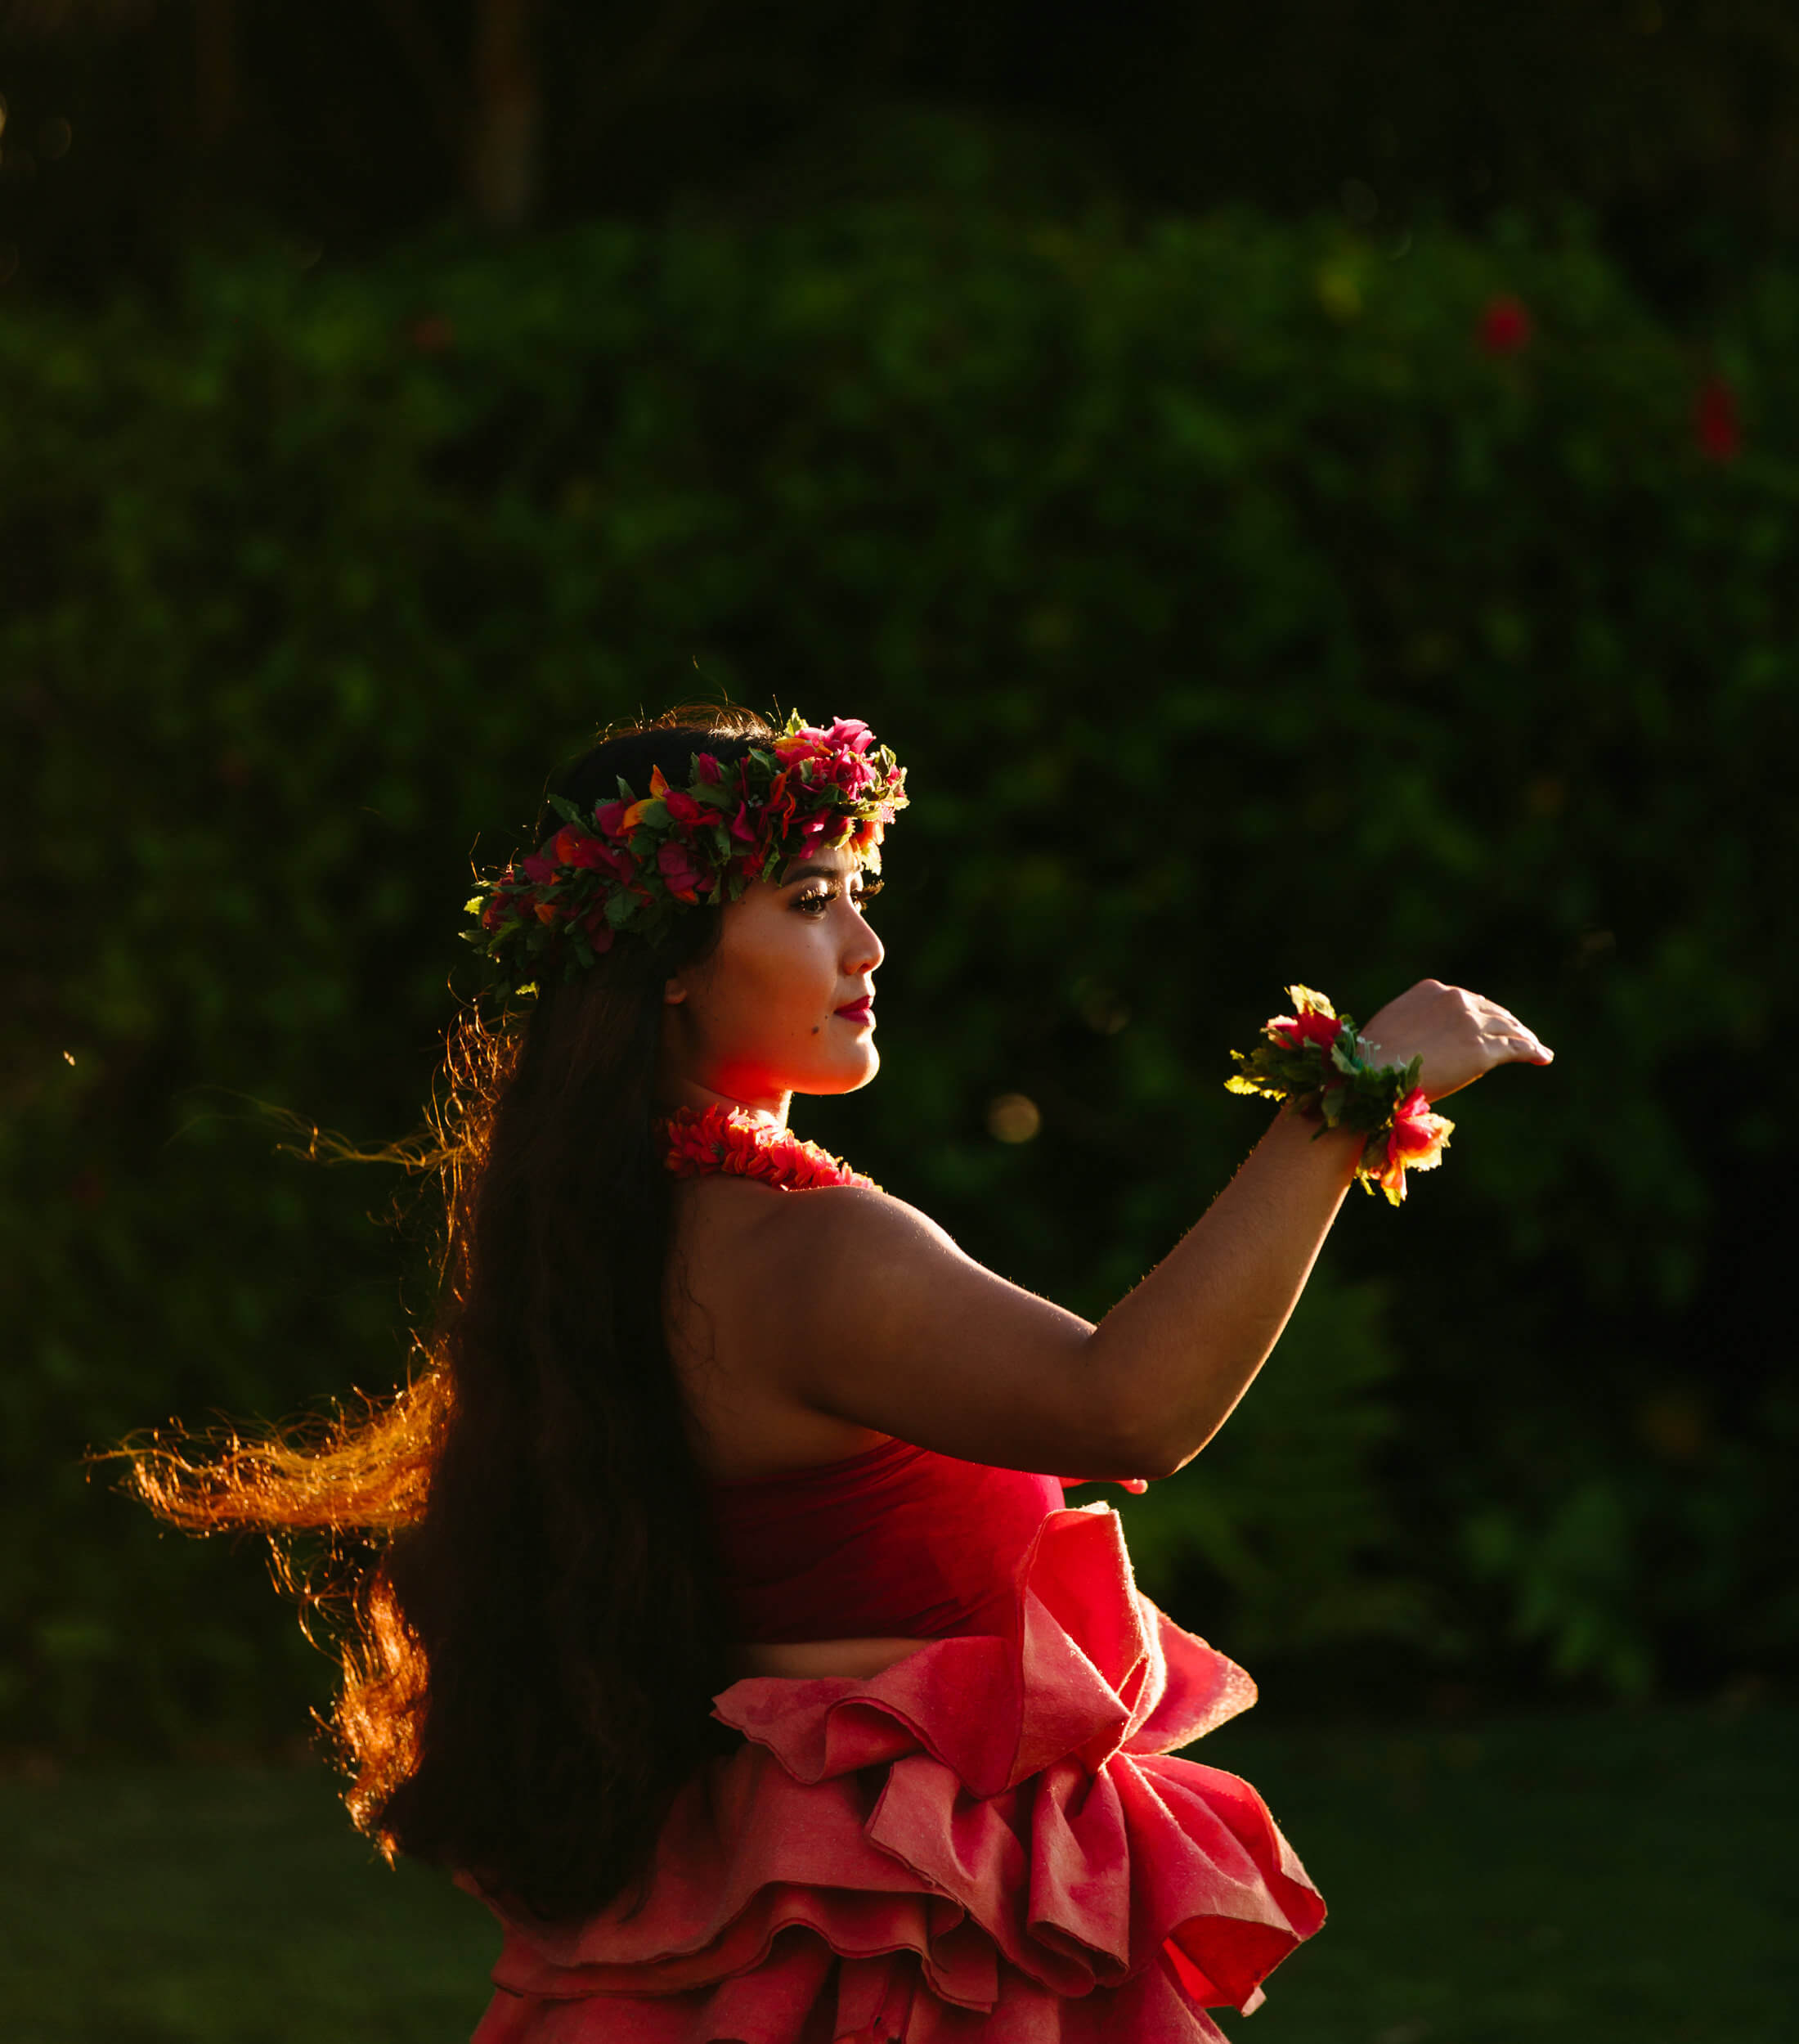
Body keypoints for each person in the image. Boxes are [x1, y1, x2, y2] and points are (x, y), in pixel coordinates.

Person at [128, 702, 1553, 2044]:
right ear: (672, 965)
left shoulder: (623, 1220)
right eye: (810, 903)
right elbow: (1134, 1409)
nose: (867, 946)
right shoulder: (800, 1258)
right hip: (898, 1933)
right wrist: (1350, 1095)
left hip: (789, 1903)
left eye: (858, 893)